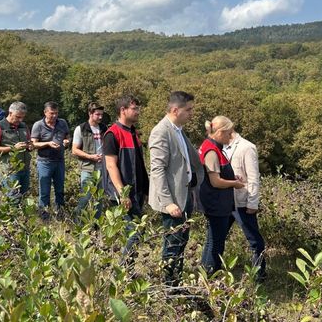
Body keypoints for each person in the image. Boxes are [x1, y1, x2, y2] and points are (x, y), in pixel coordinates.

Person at [148, 91, 204, 287]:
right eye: (188, 110)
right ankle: (169, 287)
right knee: (172, 244)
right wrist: (168, 202)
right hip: (173, 200)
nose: (191, 113)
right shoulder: (161, 132)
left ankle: (175, 282)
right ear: (175, 110)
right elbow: (157, 170)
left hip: (185, 194)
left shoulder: (178, 130)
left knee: (181, 241)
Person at [103, 95, 149, 267]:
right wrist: (123, 193)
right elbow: (111, 166)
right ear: (123, 110)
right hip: (122, 193)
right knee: (135, 231)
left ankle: (126, 269)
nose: (138, 112)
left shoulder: (133, 132)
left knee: (136, 231)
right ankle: (123, 270)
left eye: (138, 108)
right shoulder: (112, 134)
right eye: (134, 108)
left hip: (136, 191)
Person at [199, 116, 245, 275]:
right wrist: (234, 184)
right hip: (216, 203)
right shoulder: (212, 151)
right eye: (228, 133)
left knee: (212, 240)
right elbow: (216, 182)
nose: (230, 137)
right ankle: (210, 276)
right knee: (216, 243)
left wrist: (232, 178)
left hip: (216, 201)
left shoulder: (212, 146)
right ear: (219, 132)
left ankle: (204, 275)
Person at [224, 130, 266, 281]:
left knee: (254, 240)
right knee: (217, 237)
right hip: (225, 201)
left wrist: (252, 203)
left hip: (242, 202)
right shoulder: (221, 146)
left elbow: (253, 177)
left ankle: (259, 275)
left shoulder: (247, 147)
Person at [31, 101, 70, 219]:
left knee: (60, 190)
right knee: (44, 191)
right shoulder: (38, 125)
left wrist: (67, 141)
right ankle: (44, 217)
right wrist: (48, 143)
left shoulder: (62, 123)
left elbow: (67, 136)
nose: (54, 116)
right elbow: (33, 144)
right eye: (52, 113)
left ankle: (61, 215)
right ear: (45, 112)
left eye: (56, 113)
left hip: (59, 161)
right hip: (45, 162)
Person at [0, 101, 33, 204]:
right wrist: (13, 148)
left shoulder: (23, 126)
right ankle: (12, 219)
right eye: (17, 117)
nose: (20, 120)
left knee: (23, 198)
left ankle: (21, 220)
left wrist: (30, 146)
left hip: (25, 168)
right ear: (10, 113)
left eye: (22, 117)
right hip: (9, 169)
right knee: (12, 199)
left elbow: (29, 142)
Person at [72, 102, 108, 216]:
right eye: (97, 114)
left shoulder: (104, 127)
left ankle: (97, 227)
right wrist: (90, 156)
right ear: (90, 113)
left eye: (101, 114)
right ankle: (78, 222)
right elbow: (75, 150)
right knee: (85, 197)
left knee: (99, 199)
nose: (100, 117)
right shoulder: (81, 129)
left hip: (102, 168)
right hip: (87, 168)